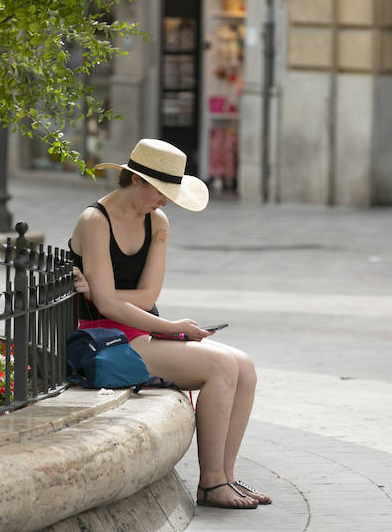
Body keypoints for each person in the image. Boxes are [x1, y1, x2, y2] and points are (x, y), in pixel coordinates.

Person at [69, 138, 271, 510]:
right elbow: (109, 309)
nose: (165, 201)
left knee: (245, 365)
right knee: (223, 366)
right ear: (136, 181)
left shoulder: (157, 221)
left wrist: (104, 293)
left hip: (141, 330)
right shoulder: (95, 220)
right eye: (161, 191)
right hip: (107, 341)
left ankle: (225, 475)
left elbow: (143, 296)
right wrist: (158, 322)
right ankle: (210, 484)